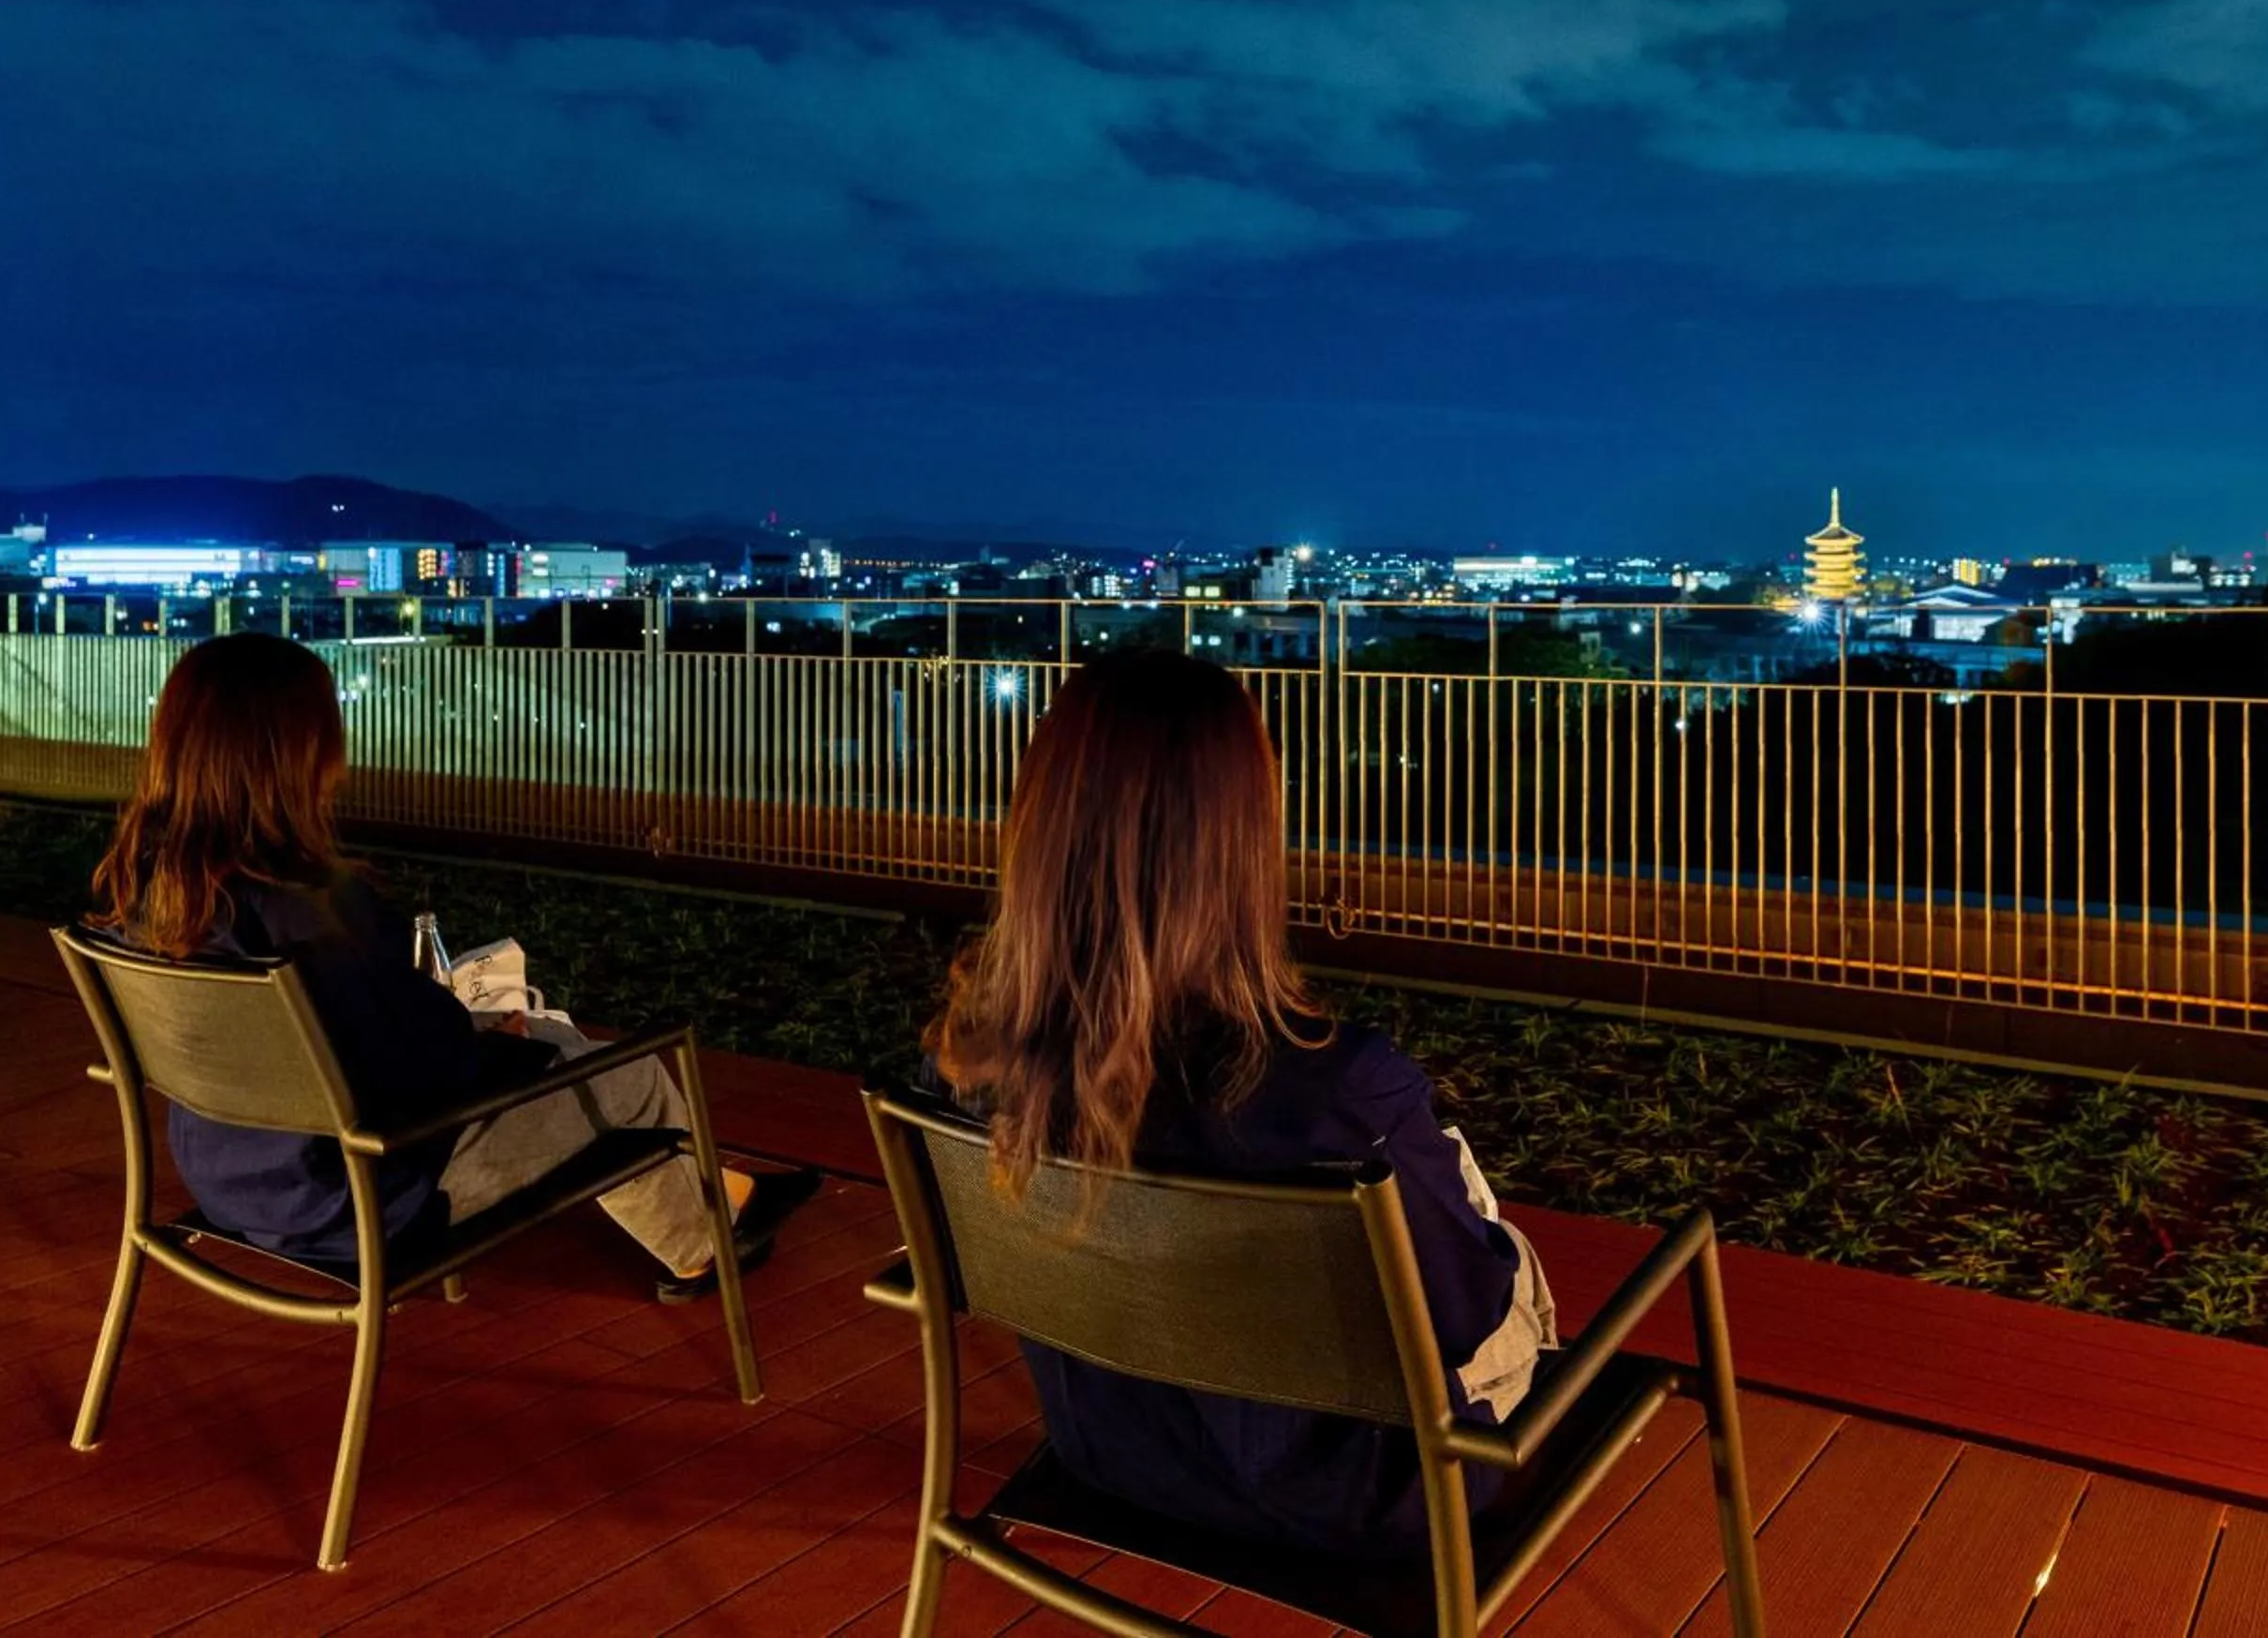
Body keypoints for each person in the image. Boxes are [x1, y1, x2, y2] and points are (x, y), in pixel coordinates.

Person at [923, 648, 1555, 1554]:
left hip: (1108, 1452)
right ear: (1241, 840)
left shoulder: (976, 1076)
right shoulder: (1337, 1095)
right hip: (1359, 1498)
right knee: (1495, 1242)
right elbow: (1464, 1312)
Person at [89, 630, 817, 1299]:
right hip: (364, 1196)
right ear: (299, 753)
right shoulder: (317, 911)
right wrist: (480, 1042)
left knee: (566, 1054)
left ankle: (723, 1196)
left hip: (234, 1179)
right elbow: (429, 1068)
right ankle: (707, 1235)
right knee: (631, 1075)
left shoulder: (150, 898)